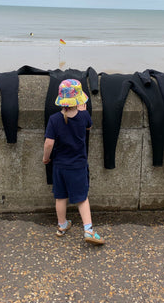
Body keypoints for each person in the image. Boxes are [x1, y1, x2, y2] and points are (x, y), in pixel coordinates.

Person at [43, 79, 105, 245]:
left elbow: (49, 143)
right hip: (77, 165)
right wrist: (83, 112)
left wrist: (45, 158)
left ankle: (62, 225)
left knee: (60, 197)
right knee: (82, 198)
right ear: (78, 100)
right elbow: (88, 128)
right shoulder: (84, 116)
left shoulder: (54, 119)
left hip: (59, 166)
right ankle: (88, 230)